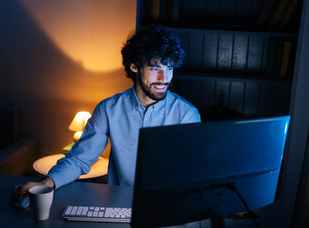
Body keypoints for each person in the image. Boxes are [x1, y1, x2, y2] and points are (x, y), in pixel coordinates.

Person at [12, 25, 201, 204]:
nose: (164, 79)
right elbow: (79, 159)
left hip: (167, 207)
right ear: (134, 66)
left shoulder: (187, 115)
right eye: (155, 68)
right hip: (117, 205)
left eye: (169, 69)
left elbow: (194, 171)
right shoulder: (108, 109)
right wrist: (45, 184)